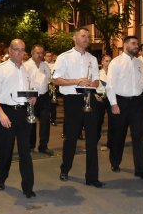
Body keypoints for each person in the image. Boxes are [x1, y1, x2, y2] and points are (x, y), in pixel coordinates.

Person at [53, 28, 104, 188]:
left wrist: (92, 83)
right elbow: (56, 80)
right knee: (71, 138)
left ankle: (92, 177)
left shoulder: (92, 59)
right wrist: (77, 81)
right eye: (83, 36)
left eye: (88, 37)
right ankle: (65, 169)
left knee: (92, 139)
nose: (86, 39)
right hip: (73, 101)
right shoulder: (64, 57)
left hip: (90, 98)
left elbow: (97, 80)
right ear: (74, 38)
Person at [0, 39, 36, 198]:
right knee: (5, 150)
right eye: (16, 49)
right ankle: (0, 179)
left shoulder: (27, 69)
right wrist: (1, 114)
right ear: (9, 50)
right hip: (6, 112)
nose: (19, 53)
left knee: (25, 152)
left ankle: (28, 187)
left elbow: (29, 90)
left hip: (24, 114)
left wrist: (32, 98)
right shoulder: (0, 69)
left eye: (22, 50)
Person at [105, 36, 143, 179]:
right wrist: (113, 104)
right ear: (125, 45)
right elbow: (110, 85)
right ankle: (115, 161)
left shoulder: (139, 63)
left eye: (137, 43)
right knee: (119, 135)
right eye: (134, 43)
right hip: (121, 103)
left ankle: (140, 169)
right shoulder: (116, 62)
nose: (136, 46)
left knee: (138, 135)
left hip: (137, 103)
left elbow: (140, 82)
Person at [24, 44, 54, 155]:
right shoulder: (26, 66)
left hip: (44, 96)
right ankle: (30, 146)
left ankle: (43, 146)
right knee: (31, 122)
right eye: (38, 53)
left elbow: (49, 80)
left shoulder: (45, 66)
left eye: (42, 53)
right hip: (31, 96)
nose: (40, 55)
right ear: (32, 53)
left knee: (45, 121)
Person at [96, 54, 113, 152]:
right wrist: (95, 95)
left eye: (110, 61)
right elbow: (93, 86)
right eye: (106, 61)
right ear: (102, 62)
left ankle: (110, 143)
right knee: (98, 121)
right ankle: (94, 141)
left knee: (112, 121)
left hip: (111, 98)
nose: (108, 63)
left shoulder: (114, 73)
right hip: (100, 98)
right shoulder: (97, 73)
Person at [45, 51, 58, 126]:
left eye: (50, 56)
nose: (49, 57)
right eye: (47, 56)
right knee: (46, 103)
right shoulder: (43, 64)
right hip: (45, 85)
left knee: (53, 102)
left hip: (53, 85)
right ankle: (45, 118)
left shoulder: (55, 65)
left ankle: (53, 119)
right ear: (45, 57)